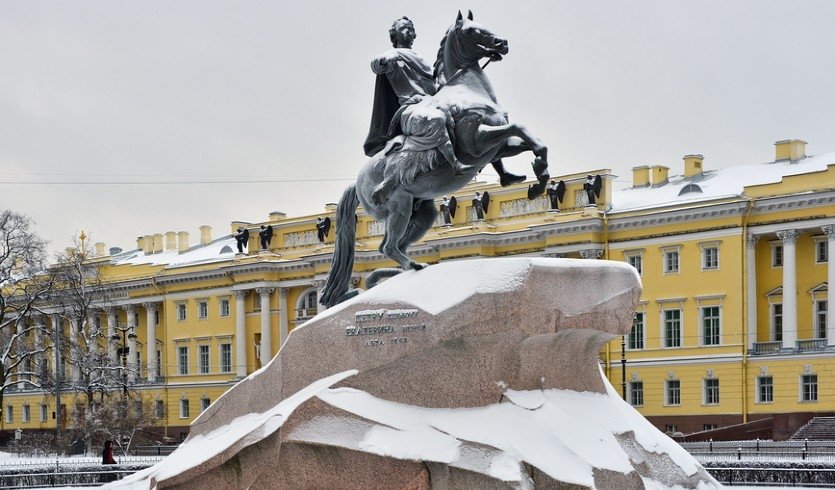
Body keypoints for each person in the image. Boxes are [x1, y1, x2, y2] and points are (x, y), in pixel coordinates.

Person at [366, 17, 522, 204]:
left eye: (410, 29)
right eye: (403, 29)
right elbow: (376, 64)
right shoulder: (393, 56)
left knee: (471, 120)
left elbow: (436, 85)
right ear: (395, 35)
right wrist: (381, 60)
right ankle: (455, 164)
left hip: (430, 103)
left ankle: (502, 172)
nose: (407, 32)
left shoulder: (422, 60)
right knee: (437, 119)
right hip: (411, 108)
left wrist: (483, 54)